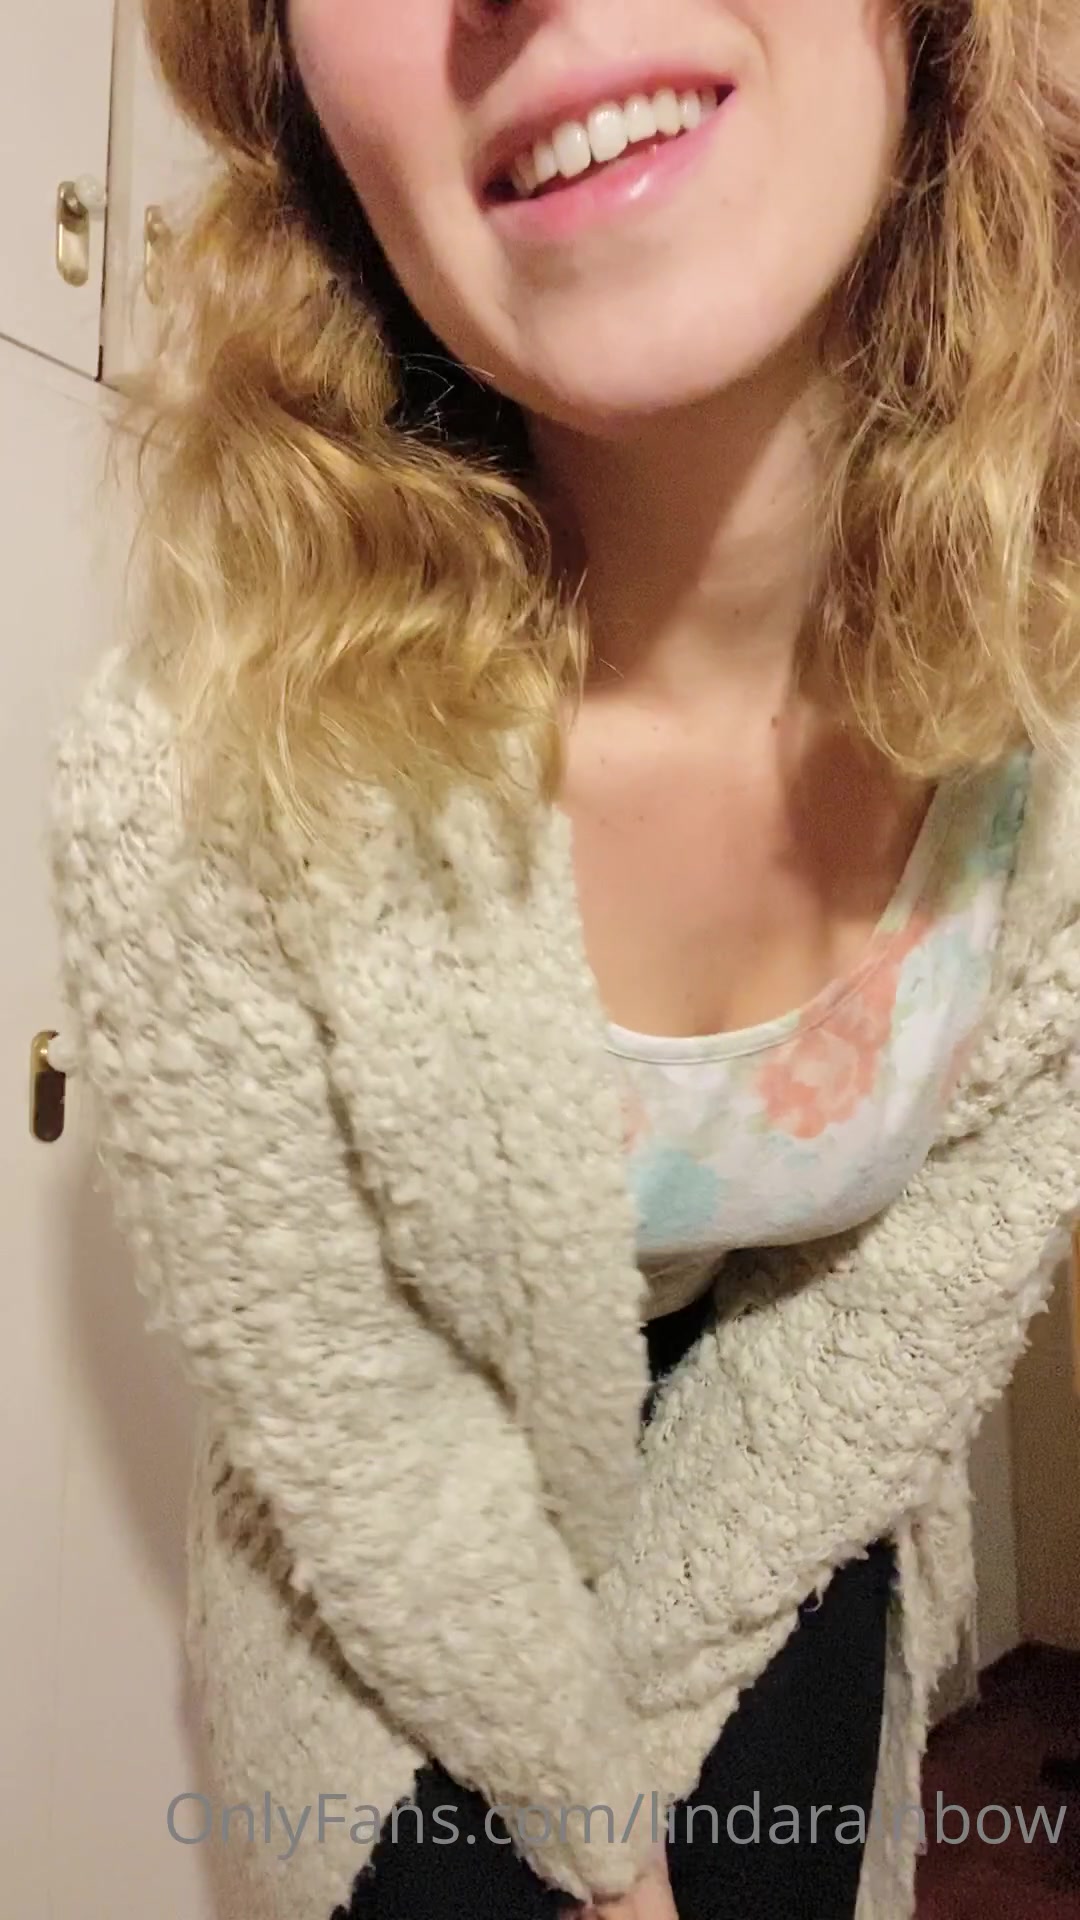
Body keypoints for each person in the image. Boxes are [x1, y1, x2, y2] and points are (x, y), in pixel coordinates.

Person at [50, 1, 1080, 1917]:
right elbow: (343, 1401)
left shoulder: (1052, 725)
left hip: (788, 1454)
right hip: (406, 1528)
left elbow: (905, 1310)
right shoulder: (203, 774)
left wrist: (664, 1775)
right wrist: (597, 1833)